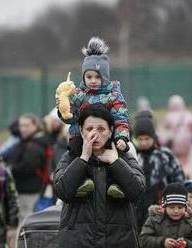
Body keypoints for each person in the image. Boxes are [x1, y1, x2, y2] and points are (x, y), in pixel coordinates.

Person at [53, 104, 145, 247]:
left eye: (101, 129)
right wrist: (83, 158)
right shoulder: (71, 156)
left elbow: (137, 191)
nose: (94, 134)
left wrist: (115, 162)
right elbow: (62, 191)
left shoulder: (124, 156)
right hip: (78, 241)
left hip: (119, 241)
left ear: (111, 131)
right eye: (89, 129)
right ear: (81, 131)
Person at [56, 37, 130, 198]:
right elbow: (71, 118)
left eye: (97, 77)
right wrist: (63, 110)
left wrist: (122, 137)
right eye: (89, 77)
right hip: (80, 135)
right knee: (75, 151)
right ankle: (82, 181)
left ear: (105, 77)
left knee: (114, 155)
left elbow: (121, 118)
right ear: (83, 77)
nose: (93, 81)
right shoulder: (78, 95)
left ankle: (116, 184)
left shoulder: (114, 96)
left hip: (106, 137)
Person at [133, 115, 185, 230]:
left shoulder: (164, 155)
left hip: (160, 208)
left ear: (154, 137)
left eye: (147, 139)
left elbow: (178, 179)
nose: (143, 143)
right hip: (135, 210)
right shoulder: (132, 156)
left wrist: (174, 204)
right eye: (140, 139)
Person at [8, 113, 48, 221]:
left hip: (30, 189)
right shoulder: (27, 140)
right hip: (25, 188)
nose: (23, 129)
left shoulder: (36, 144)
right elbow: (12, 128)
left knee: (27, 220)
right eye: (21, 125)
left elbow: (28, 166)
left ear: (35, 126)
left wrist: (11, 169)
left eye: (27, 125)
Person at [139, 182, 192, 248]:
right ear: (164, 207)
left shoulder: (191, 222)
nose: (176, 211)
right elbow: (143, 240)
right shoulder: (154, 220)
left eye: (180, 207)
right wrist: (162, 242)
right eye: (171, 207)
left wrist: (187, 244)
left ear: (186, 207)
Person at [159, 95, 192, 178]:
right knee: (186, 160)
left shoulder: (169, 116)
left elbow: (162, 128)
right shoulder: (188, 115)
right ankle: (187, 173)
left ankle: (179, 174)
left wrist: (163, 139)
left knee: (176, 159)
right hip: (187, 141)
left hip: (175, 142)